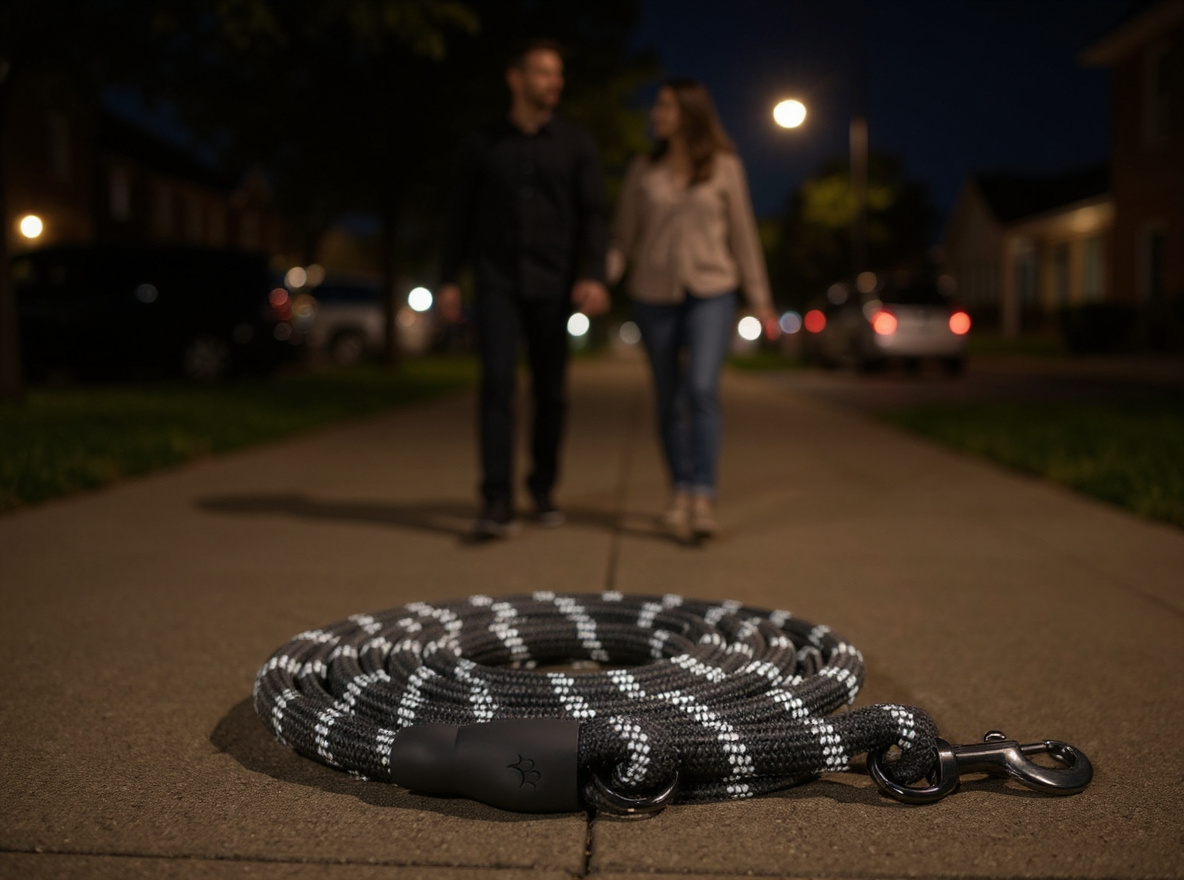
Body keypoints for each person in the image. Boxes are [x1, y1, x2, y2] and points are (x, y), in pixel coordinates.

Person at [437, 38, 611, 539]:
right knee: (496, 384)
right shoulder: (484, 144)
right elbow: (460, 217)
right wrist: (449, 276)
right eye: (543, 73)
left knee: (551, 392)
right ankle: (496, 498)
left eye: (558, 74)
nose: (554, 82)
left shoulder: (576, 144)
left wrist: (594, 273)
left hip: (555, 285)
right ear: (516, 78)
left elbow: (594, 215)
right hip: (497, 281)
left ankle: (541, 486)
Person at [608, 78, 778, 541]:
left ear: (688, 112)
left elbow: (743, 237)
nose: (655, 114)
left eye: (664, 106)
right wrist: (601, 275)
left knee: (702, 388)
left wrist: (761, 300)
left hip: (712, 290)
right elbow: (623, 237)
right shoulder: (643, 169)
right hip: (653, 294)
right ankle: (679, 490)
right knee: (668, 397)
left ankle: (703, 495)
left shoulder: (725, 167)